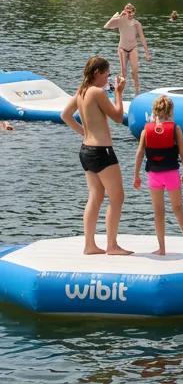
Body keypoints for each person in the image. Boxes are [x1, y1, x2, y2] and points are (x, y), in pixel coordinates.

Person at [60, 56, 132, 256]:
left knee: (95, 197)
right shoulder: (97, 92)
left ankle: (89, 245)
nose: (108, 77)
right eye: (106, 73)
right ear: (97, 73)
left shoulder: (81, 91)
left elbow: (64, 115)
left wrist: (84, 133)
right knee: (117, 197)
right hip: (102, 151)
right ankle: (112, 245)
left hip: (86, 150)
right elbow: (118, 117)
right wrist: (118, 93)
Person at [131, 95, 183, 256]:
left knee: (158, 211)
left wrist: (136, 175)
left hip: (154, 174)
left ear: (154, 112)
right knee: (178, 208)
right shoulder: (175, 129)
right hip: (171, 173)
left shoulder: (145, 130)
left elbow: (139, 153)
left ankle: (161, 248)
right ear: (171, 111)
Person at [103, 3, 151, 96]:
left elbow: (142, 38)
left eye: (130, 11)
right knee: (123, 72)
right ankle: (118, 94)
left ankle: (137, 94)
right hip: (122, 48)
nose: (128, 13)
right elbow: (106, 26)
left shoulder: (137, 24)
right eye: (126, 11)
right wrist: (117, 16)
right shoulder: (120, 20)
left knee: (134, 72)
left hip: (133, 48)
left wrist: (147, 53)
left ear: (133, 12)